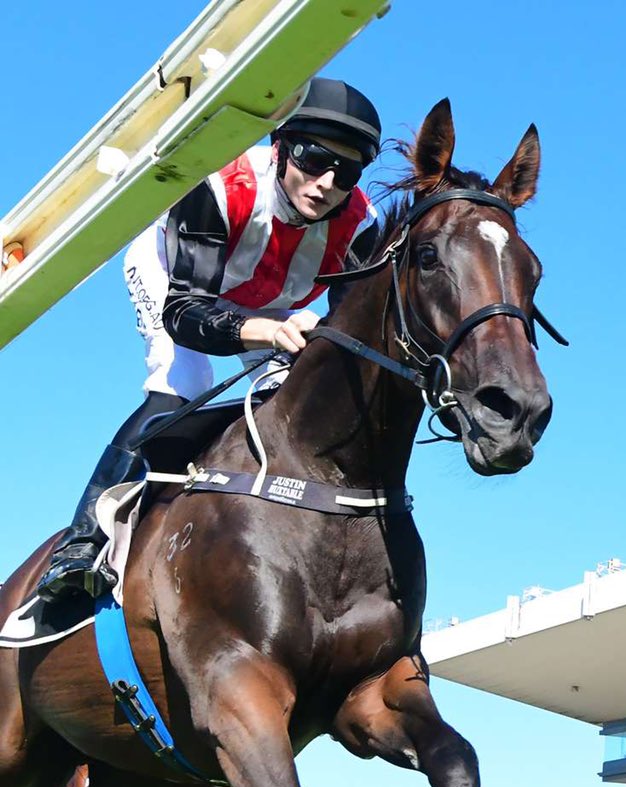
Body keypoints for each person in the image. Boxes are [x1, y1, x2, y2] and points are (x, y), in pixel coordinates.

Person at [37, 77, 381, 603]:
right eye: (314, 160)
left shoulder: (360, 227)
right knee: (184, 381)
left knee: (299, 396)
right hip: (180, 284)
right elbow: (185, 311)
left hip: (273, 302)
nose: (326, 184)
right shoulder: (223, 185)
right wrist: (265, 330)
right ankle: (80, 544)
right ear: (281, 146)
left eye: (347, 173)